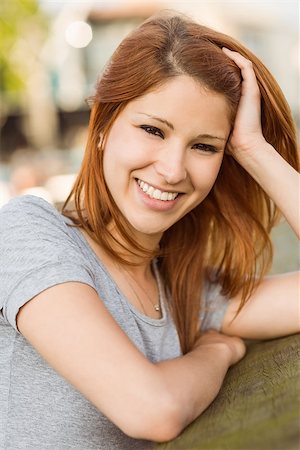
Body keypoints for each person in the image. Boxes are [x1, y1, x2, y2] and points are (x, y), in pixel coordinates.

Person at [0, 11, 299, 450]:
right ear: (102, 126)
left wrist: (255, 150)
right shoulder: (26, 233)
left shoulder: (187, 293)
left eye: (204, 146)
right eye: (152, 129)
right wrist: (217, 352)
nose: (172, 169)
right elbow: (150, 409)